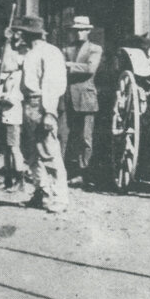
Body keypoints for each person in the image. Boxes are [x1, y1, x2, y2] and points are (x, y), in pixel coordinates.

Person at [12, 15, 69, 213]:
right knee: (32, 153)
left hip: (41, 104)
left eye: (21, 32)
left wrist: (49, 113)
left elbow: (52, 84)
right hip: (28, 104)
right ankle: (41, 192)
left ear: (29, 34)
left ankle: (60, 197)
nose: (18, 35)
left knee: (49, 153)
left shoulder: (50, 52)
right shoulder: (30, 52)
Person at [62, 15, 103, 186]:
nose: (79, 33)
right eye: (76, 30)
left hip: (86, 98)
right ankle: (64, 171)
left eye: (83, 30)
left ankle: (83, 172)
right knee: (65, 136)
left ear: (88, 31)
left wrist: (69, 65)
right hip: (68, 98)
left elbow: (90, 69)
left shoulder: (95, 49)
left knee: (85, 138)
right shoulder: (66, 49)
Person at [0, 31, 25, 191]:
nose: (1, 61)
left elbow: (13, 98)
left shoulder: (17, 76)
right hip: (4, 116)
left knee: (14, 148)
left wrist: (0, 96)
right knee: (5, 149)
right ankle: (7, 179)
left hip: (13, 116)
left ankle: (20, 179)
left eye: (3, 58)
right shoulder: (5, 76)